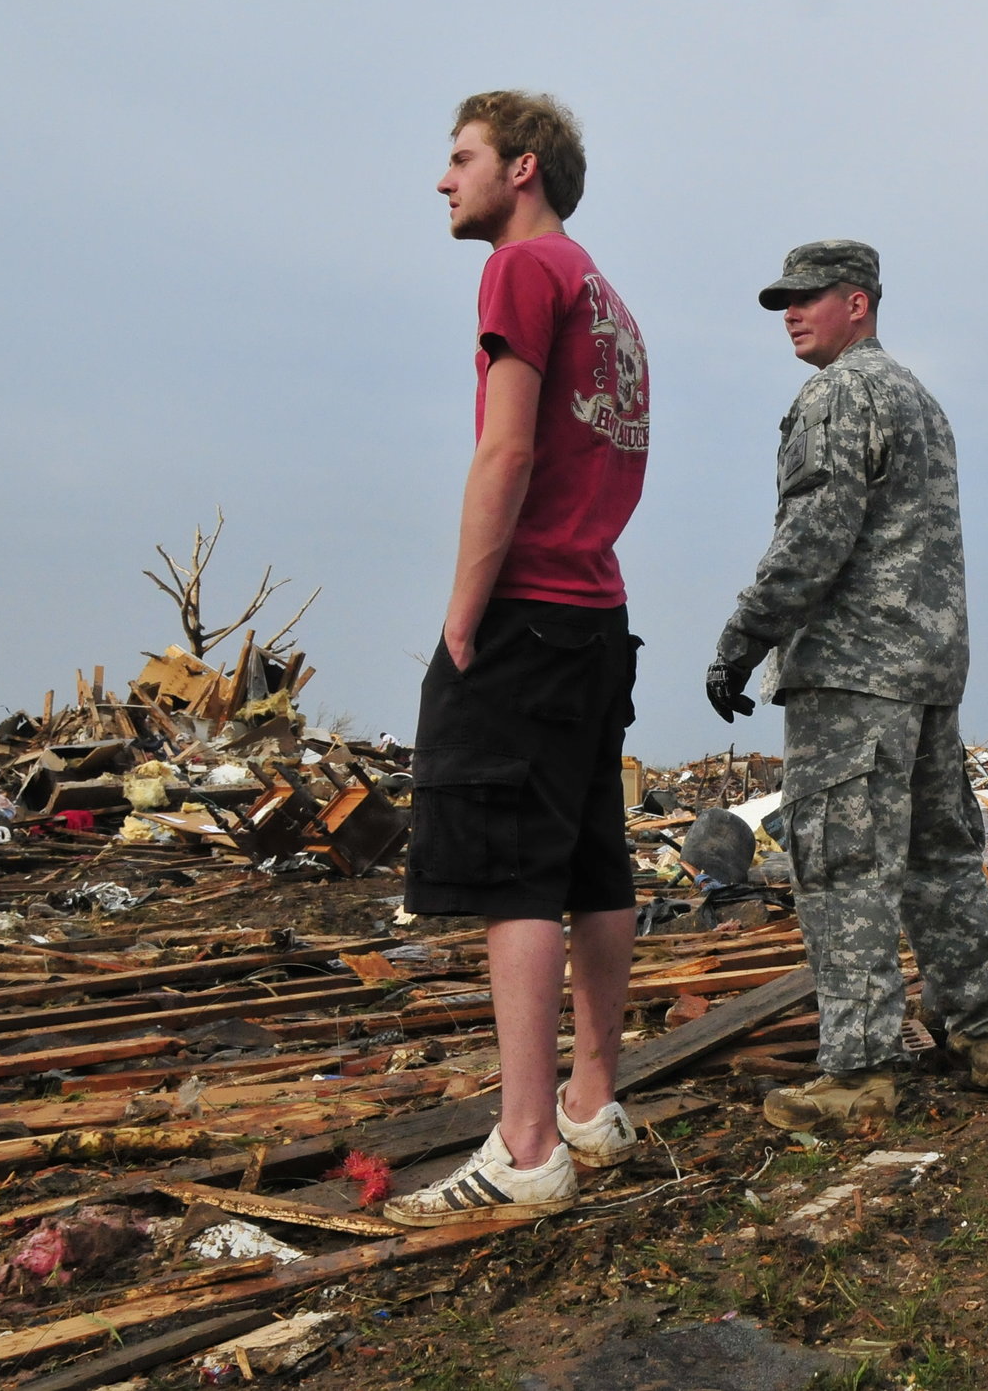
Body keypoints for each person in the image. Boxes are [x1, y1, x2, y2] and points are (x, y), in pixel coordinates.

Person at [384, 92, 651, 1225]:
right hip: (596, 609)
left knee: (513, 874)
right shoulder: (609, 296)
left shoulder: (521, 274)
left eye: (461, 159)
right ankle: (593, 1102)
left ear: (521, 167)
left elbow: (507, 444)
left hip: (531, 606)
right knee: (592, 858)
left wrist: (462, 611)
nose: (444, 181)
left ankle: (527, 1144)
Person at [708, 240, 988, 1131]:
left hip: (852, 674)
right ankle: (986, 1032)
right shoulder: (918, 399)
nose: (790, 314)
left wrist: (742, 639)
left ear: (859, 302)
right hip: (925, 674)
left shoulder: (839, 392)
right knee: (938, 857)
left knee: (843, 868)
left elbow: (816, 532)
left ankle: (860, 1075)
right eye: (783, 299)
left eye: (808, 297)